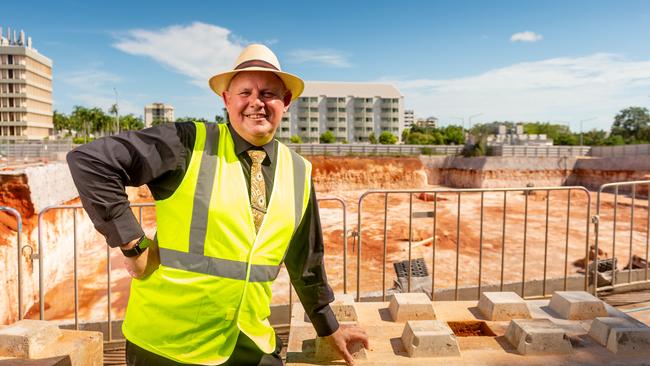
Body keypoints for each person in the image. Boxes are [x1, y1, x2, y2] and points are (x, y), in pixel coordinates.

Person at [67, 44, 368, 366]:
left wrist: (328, 327)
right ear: (226, 99)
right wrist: (133, 243)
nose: (256, 103)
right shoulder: (186, 143)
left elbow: (305, 260)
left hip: (249, 342)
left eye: (268, 93)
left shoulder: (298, 171)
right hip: (167, 345)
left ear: (286, 102)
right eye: (244, 92)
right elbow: (90, 161)